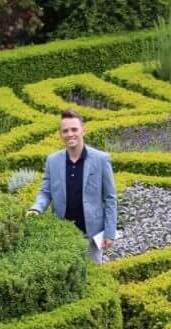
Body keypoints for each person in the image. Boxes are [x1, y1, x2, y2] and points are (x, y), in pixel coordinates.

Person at [26, 109, 117, 264]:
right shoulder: (52, 161)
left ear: (83, 130)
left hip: (91, 233)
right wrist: (36, 208)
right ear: (60, 134)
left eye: (74, 129)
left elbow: (110, 198)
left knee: (92, 277)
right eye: (65, 131)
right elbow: (46, 192)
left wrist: (109, 233)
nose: (70, 134)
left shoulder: (101, 159)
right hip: (62, 234)